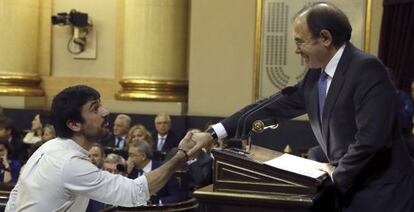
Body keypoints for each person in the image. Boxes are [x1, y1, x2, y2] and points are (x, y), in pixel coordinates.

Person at [191, 2, 414, 211]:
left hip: (384, 197)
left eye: (300, 41)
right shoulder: (315, 77)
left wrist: (330, 178)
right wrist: (213, 133)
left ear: (325, 38)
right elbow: (270, 107)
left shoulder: (366, 69)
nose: (297, 50)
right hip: (349, 195)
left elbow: (370, 140)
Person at [5, 85, 200, 211]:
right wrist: (179, 156)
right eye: (95, 108)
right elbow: (134, 193)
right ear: (74, 124)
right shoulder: (70, 164)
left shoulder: (49, 147)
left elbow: (16, 196)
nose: (106, 112)